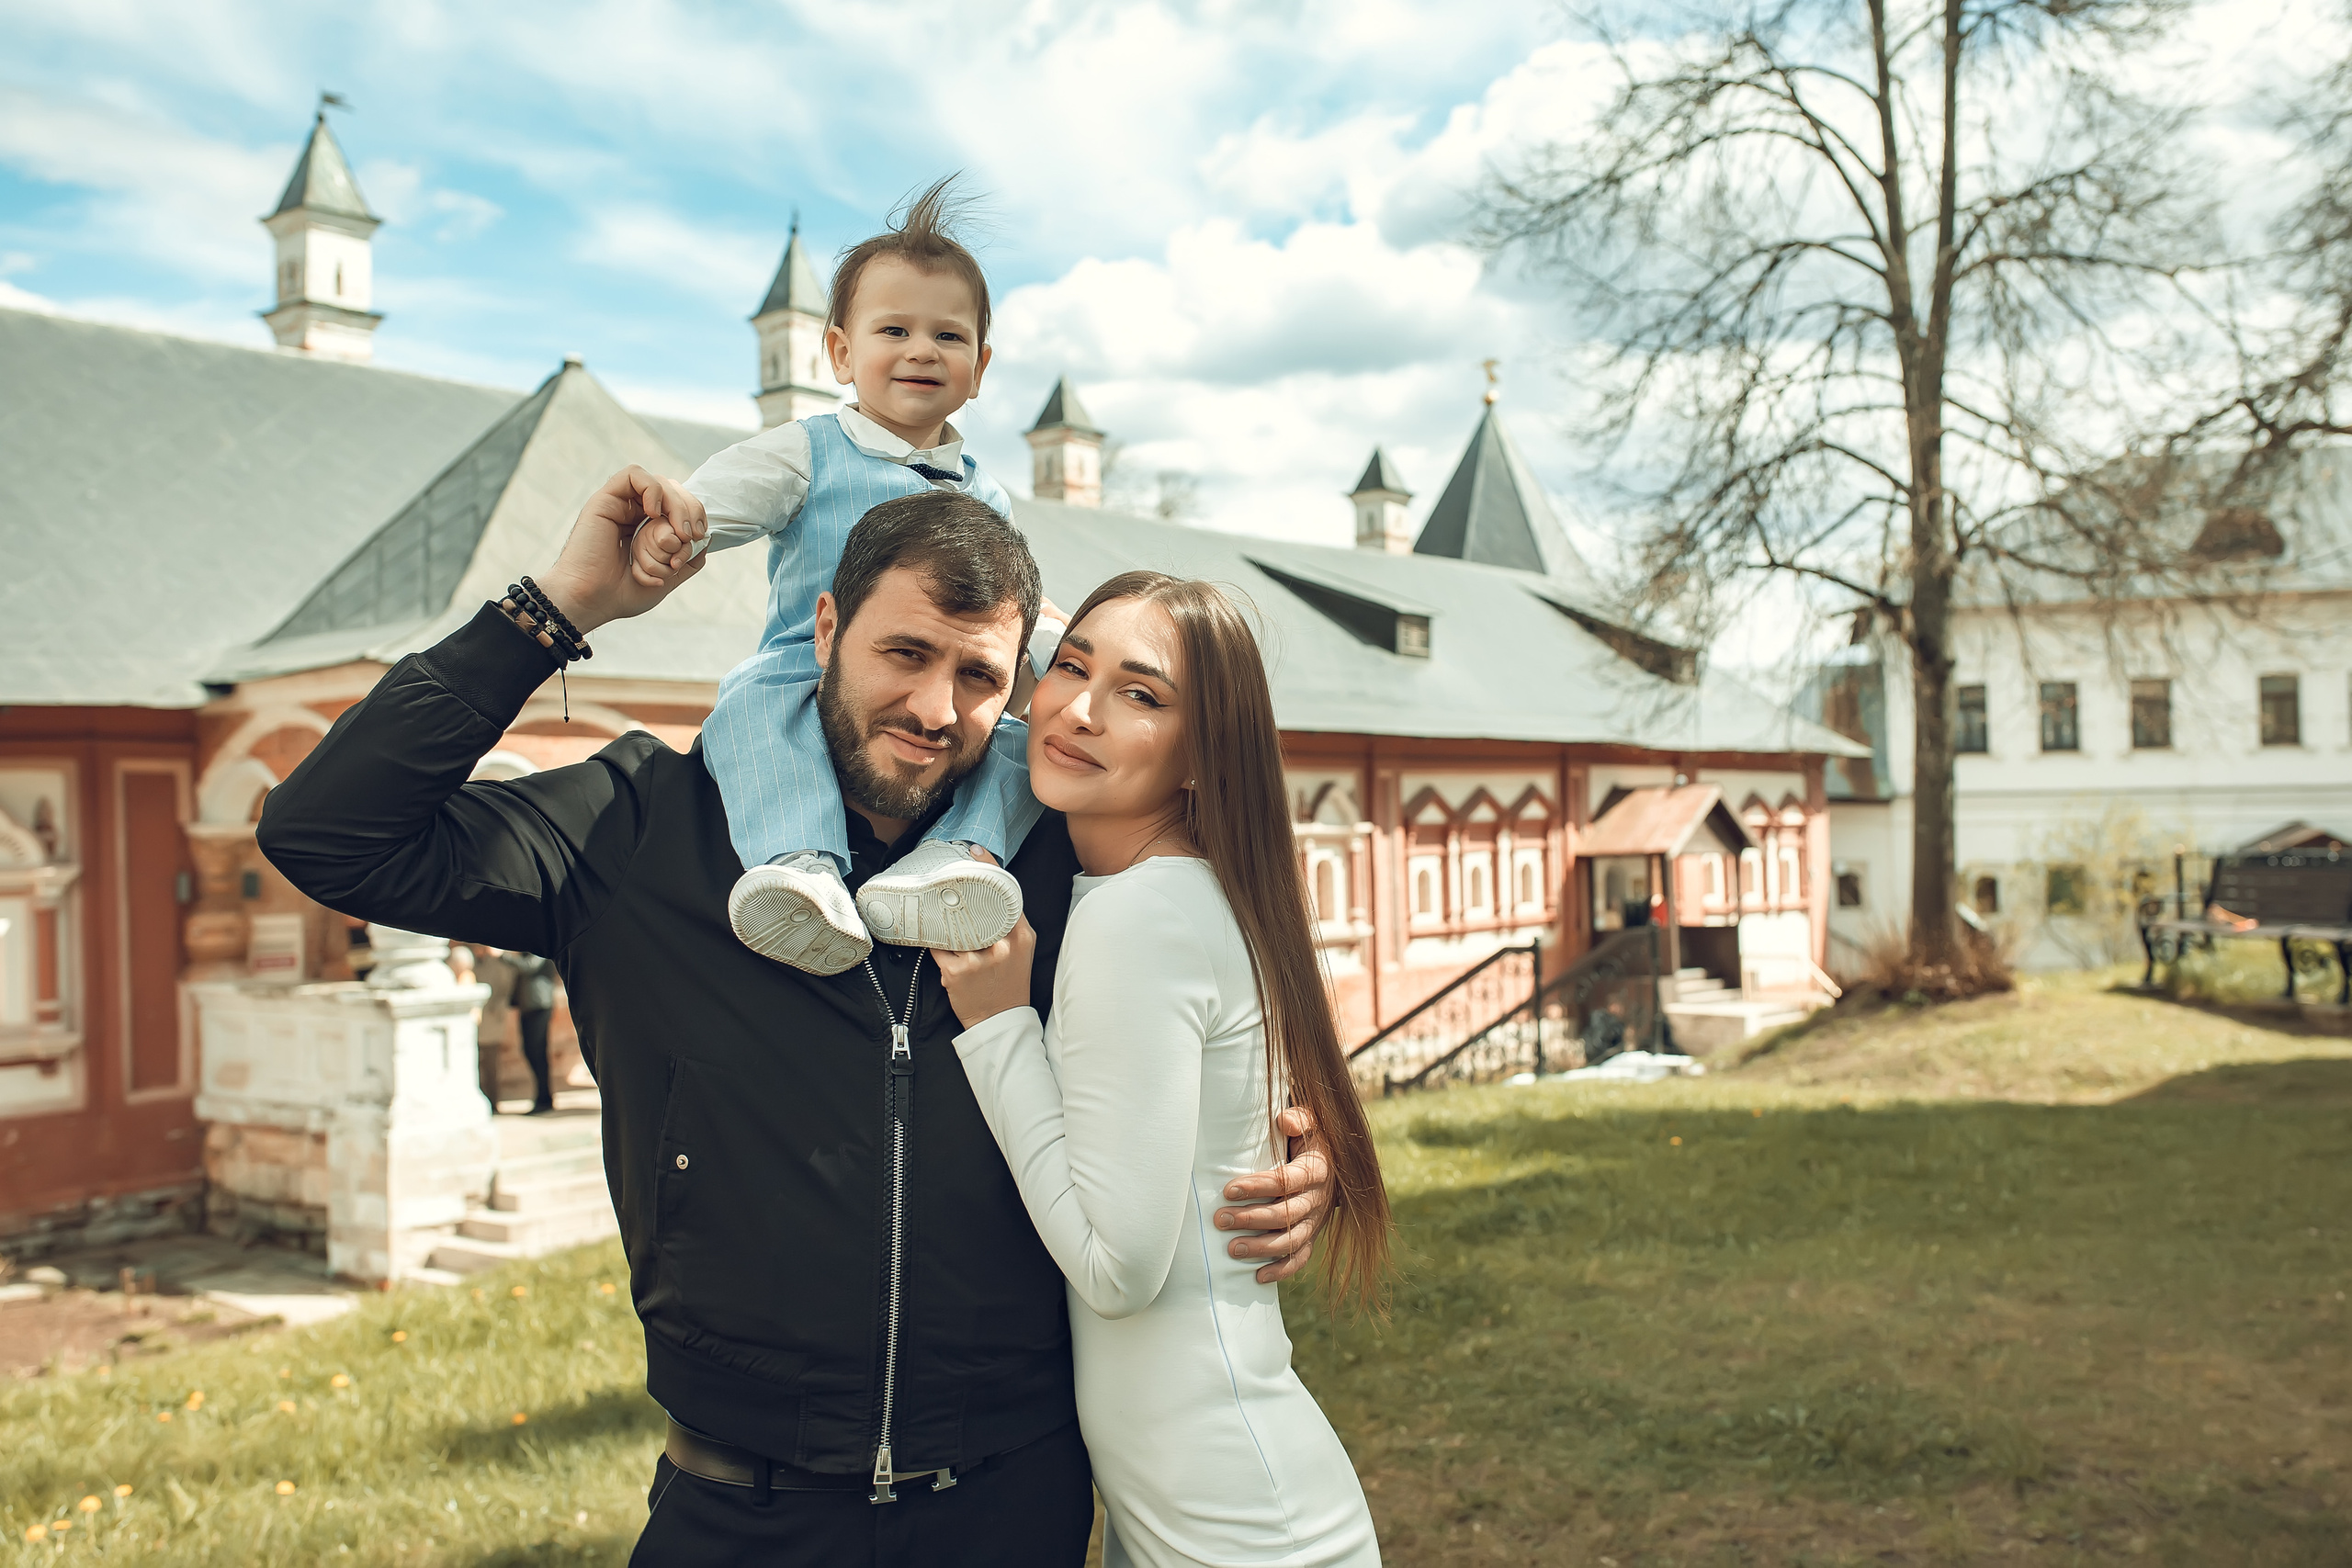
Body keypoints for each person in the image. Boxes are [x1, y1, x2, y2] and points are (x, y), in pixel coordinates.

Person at [256, 471, 1333, 1568]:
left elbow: (1215, 988)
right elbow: (331, 835)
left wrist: (1287, 1141)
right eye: (903, 654)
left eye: (976, 676)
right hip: (737, 1513)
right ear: (824, 628)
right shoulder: (639, 825)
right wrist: (557, 609)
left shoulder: (1056, 859)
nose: (930, 711)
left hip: (1010, 1506)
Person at [936, 571, 1391, 1566]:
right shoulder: (1182, 895)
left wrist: (999, 1024)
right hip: (1199, 1492)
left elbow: (1117, 1271)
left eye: (1141, 695)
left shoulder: (1140, 917)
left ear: (1200, 755)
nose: (1081, 711)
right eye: (1070, 669)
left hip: (1233, 1520)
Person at [629, 177, 1057, 976]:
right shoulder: (809, 449)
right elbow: (716, 499)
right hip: (806, 663)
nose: (923, 350)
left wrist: (1063, 645)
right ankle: (800, 866)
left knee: (1019, 744)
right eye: (894, 328)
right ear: (839, 352)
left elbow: (1011, 606)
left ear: (981, 364)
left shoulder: (985, 491)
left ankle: (957, 858)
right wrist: (673, 528)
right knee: (749, 714)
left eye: (949, 336)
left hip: (940, 671)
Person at [503, 950, 559, 1113]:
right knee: (529, 1051)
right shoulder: (525, 952)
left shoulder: (540, 950)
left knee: (538, 1053)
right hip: (527, 1006)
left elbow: (528, 967)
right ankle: (542, 1096)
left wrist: (503, 957)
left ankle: (544, 1099)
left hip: (539, 1005)